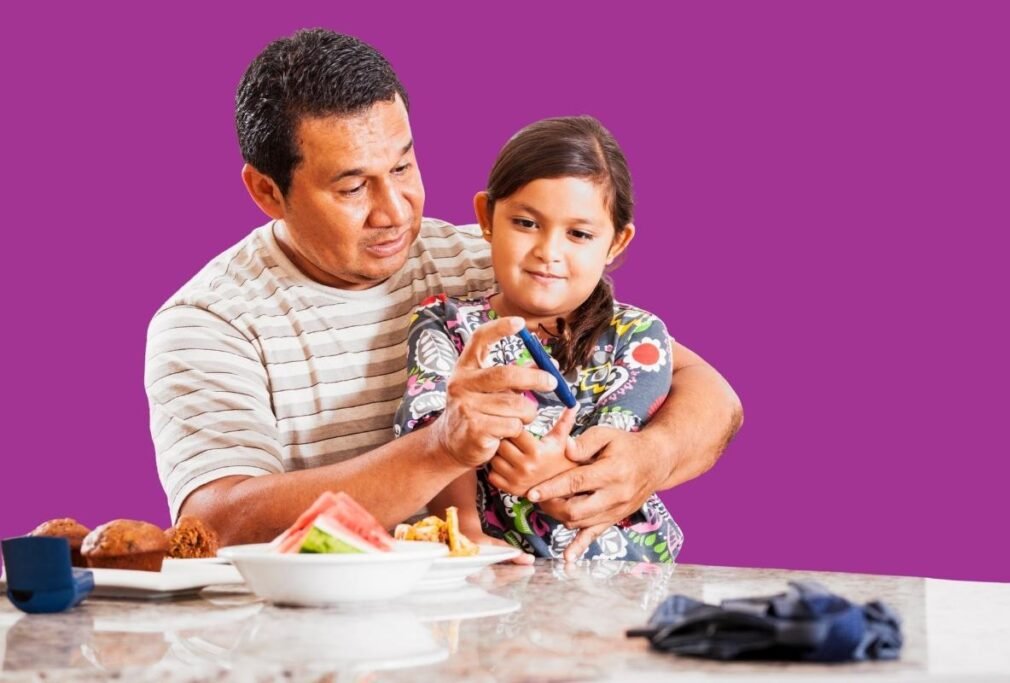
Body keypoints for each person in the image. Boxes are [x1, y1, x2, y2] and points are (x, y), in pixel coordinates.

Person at [144, 29, 743, 559]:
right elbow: (216, 523)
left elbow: (706, 392)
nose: (395, 211)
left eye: (403, 168)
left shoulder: (487, 258)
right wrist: (440, 447)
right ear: (267, 191)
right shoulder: (211, 321)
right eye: (353, 187)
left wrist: (648, 460)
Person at [396, 116, 684, 562]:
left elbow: (617, 452)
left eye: (579, 234)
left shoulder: (640, 338)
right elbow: (437, 436)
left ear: (616, 243)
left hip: (620, 572)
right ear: (486, 217)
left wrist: (553, 477)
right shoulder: (445, 325)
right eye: (527, 223)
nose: (548, 251)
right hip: (496, 574)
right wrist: (467, 535)